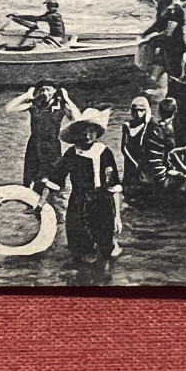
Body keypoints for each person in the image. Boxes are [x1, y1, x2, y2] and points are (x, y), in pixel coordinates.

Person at [35, 108, 124, 263]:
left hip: (101, 202)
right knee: (78, 248)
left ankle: (104, 276)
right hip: (78, 201)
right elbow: (56, 178)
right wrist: (41, 202)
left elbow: (114, 186)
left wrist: (117, 217)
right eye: (84, 131)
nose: (87, 135)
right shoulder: (72, 153)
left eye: (91, 131)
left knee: (105, 248)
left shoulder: (105, 153)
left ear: (97, 133)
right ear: (78, 133)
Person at [4, 80, 80, 186]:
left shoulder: (61, 106)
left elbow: (78, 119)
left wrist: (67, 98)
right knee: (30, 179)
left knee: (53, 180)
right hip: (34, 145)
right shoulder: (34, 104)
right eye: (42, 90)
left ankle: (51, 200)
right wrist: (26, 95)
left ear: (55, 91)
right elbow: (9, 108)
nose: (45, 93)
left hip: (52, 146)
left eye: (48, 90)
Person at [119, 96, 171, 203]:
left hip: (146, 161)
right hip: (130, 160)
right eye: (136, 110)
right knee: (130, 190)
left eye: (141, 110)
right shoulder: (128, 126)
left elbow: (160, 148)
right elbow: (124, 147)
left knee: (148, 190)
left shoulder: (152, 127)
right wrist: (135, 164)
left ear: (146, 111)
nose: (138, 114)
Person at [140, 0, 186, 77]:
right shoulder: (162, 6)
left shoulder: (176, 9)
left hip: (174, 45)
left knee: (173, 71)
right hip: (164, 42)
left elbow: (169, 32)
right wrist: (144, 34)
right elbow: (158, 24)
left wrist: (151, 38)